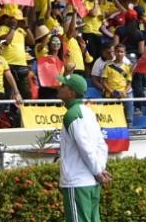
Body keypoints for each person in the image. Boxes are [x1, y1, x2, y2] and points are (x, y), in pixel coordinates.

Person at [57, 74, 109, 222]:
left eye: (63, 86)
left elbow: (84, 147)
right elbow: (101, 144)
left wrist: (98, 171)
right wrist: (99, 169)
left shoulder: (71, 115)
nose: (59, 88)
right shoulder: (88, 112)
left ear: (71, 92)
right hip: (91, 182)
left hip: (77, 182)